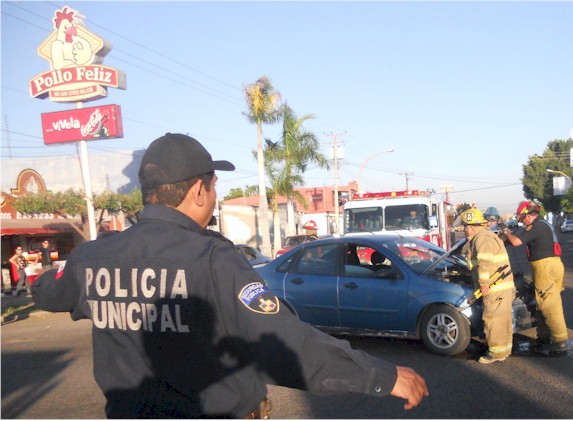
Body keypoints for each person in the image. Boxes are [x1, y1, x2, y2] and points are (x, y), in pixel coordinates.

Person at [32, 133, 428, 418]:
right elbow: (282, 343)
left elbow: (49, 293)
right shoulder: (212, 258)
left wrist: (37, 279)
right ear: (198, 192)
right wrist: (381, 376)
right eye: (214, 186)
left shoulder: (92, 257)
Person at [500, 200, 568, 354]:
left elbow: (516, 242)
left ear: (527, 215)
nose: (522, 222)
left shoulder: (535, 226)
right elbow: (521, 238)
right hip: (553, 265)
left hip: (545, 267)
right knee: (543, 302)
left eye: (522, 218)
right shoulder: (543, 224)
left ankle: (560, 341)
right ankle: (544, 337)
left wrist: (505, 232)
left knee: (549, 305)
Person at [459, 208, 516, 364]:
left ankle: (496, 353)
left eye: (465, 226)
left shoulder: (482, 239)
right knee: (501, 320)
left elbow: (484, 264)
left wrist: (483, 284)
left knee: (493, 319)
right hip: (500, 287)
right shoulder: (484, 236)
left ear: (470, 226)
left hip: (494, 287)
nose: (464, 230)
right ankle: (503, 350)